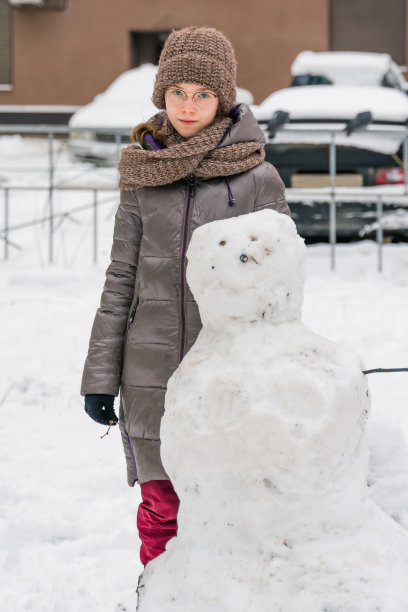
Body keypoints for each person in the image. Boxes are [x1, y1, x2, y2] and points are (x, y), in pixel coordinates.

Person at [81, 25, 291, 568]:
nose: (188, 106)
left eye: (202, 94)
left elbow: (281, 290)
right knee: (162, 510)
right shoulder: (142, 173)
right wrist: (100, 377)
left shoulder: (258, 176)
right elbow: (120, 277)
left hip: (228, 375)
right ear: (161, 95)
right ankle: (157, 595)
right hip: (148, 375)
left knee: (227, 509)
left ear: (223, 98)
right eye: (177, 93)